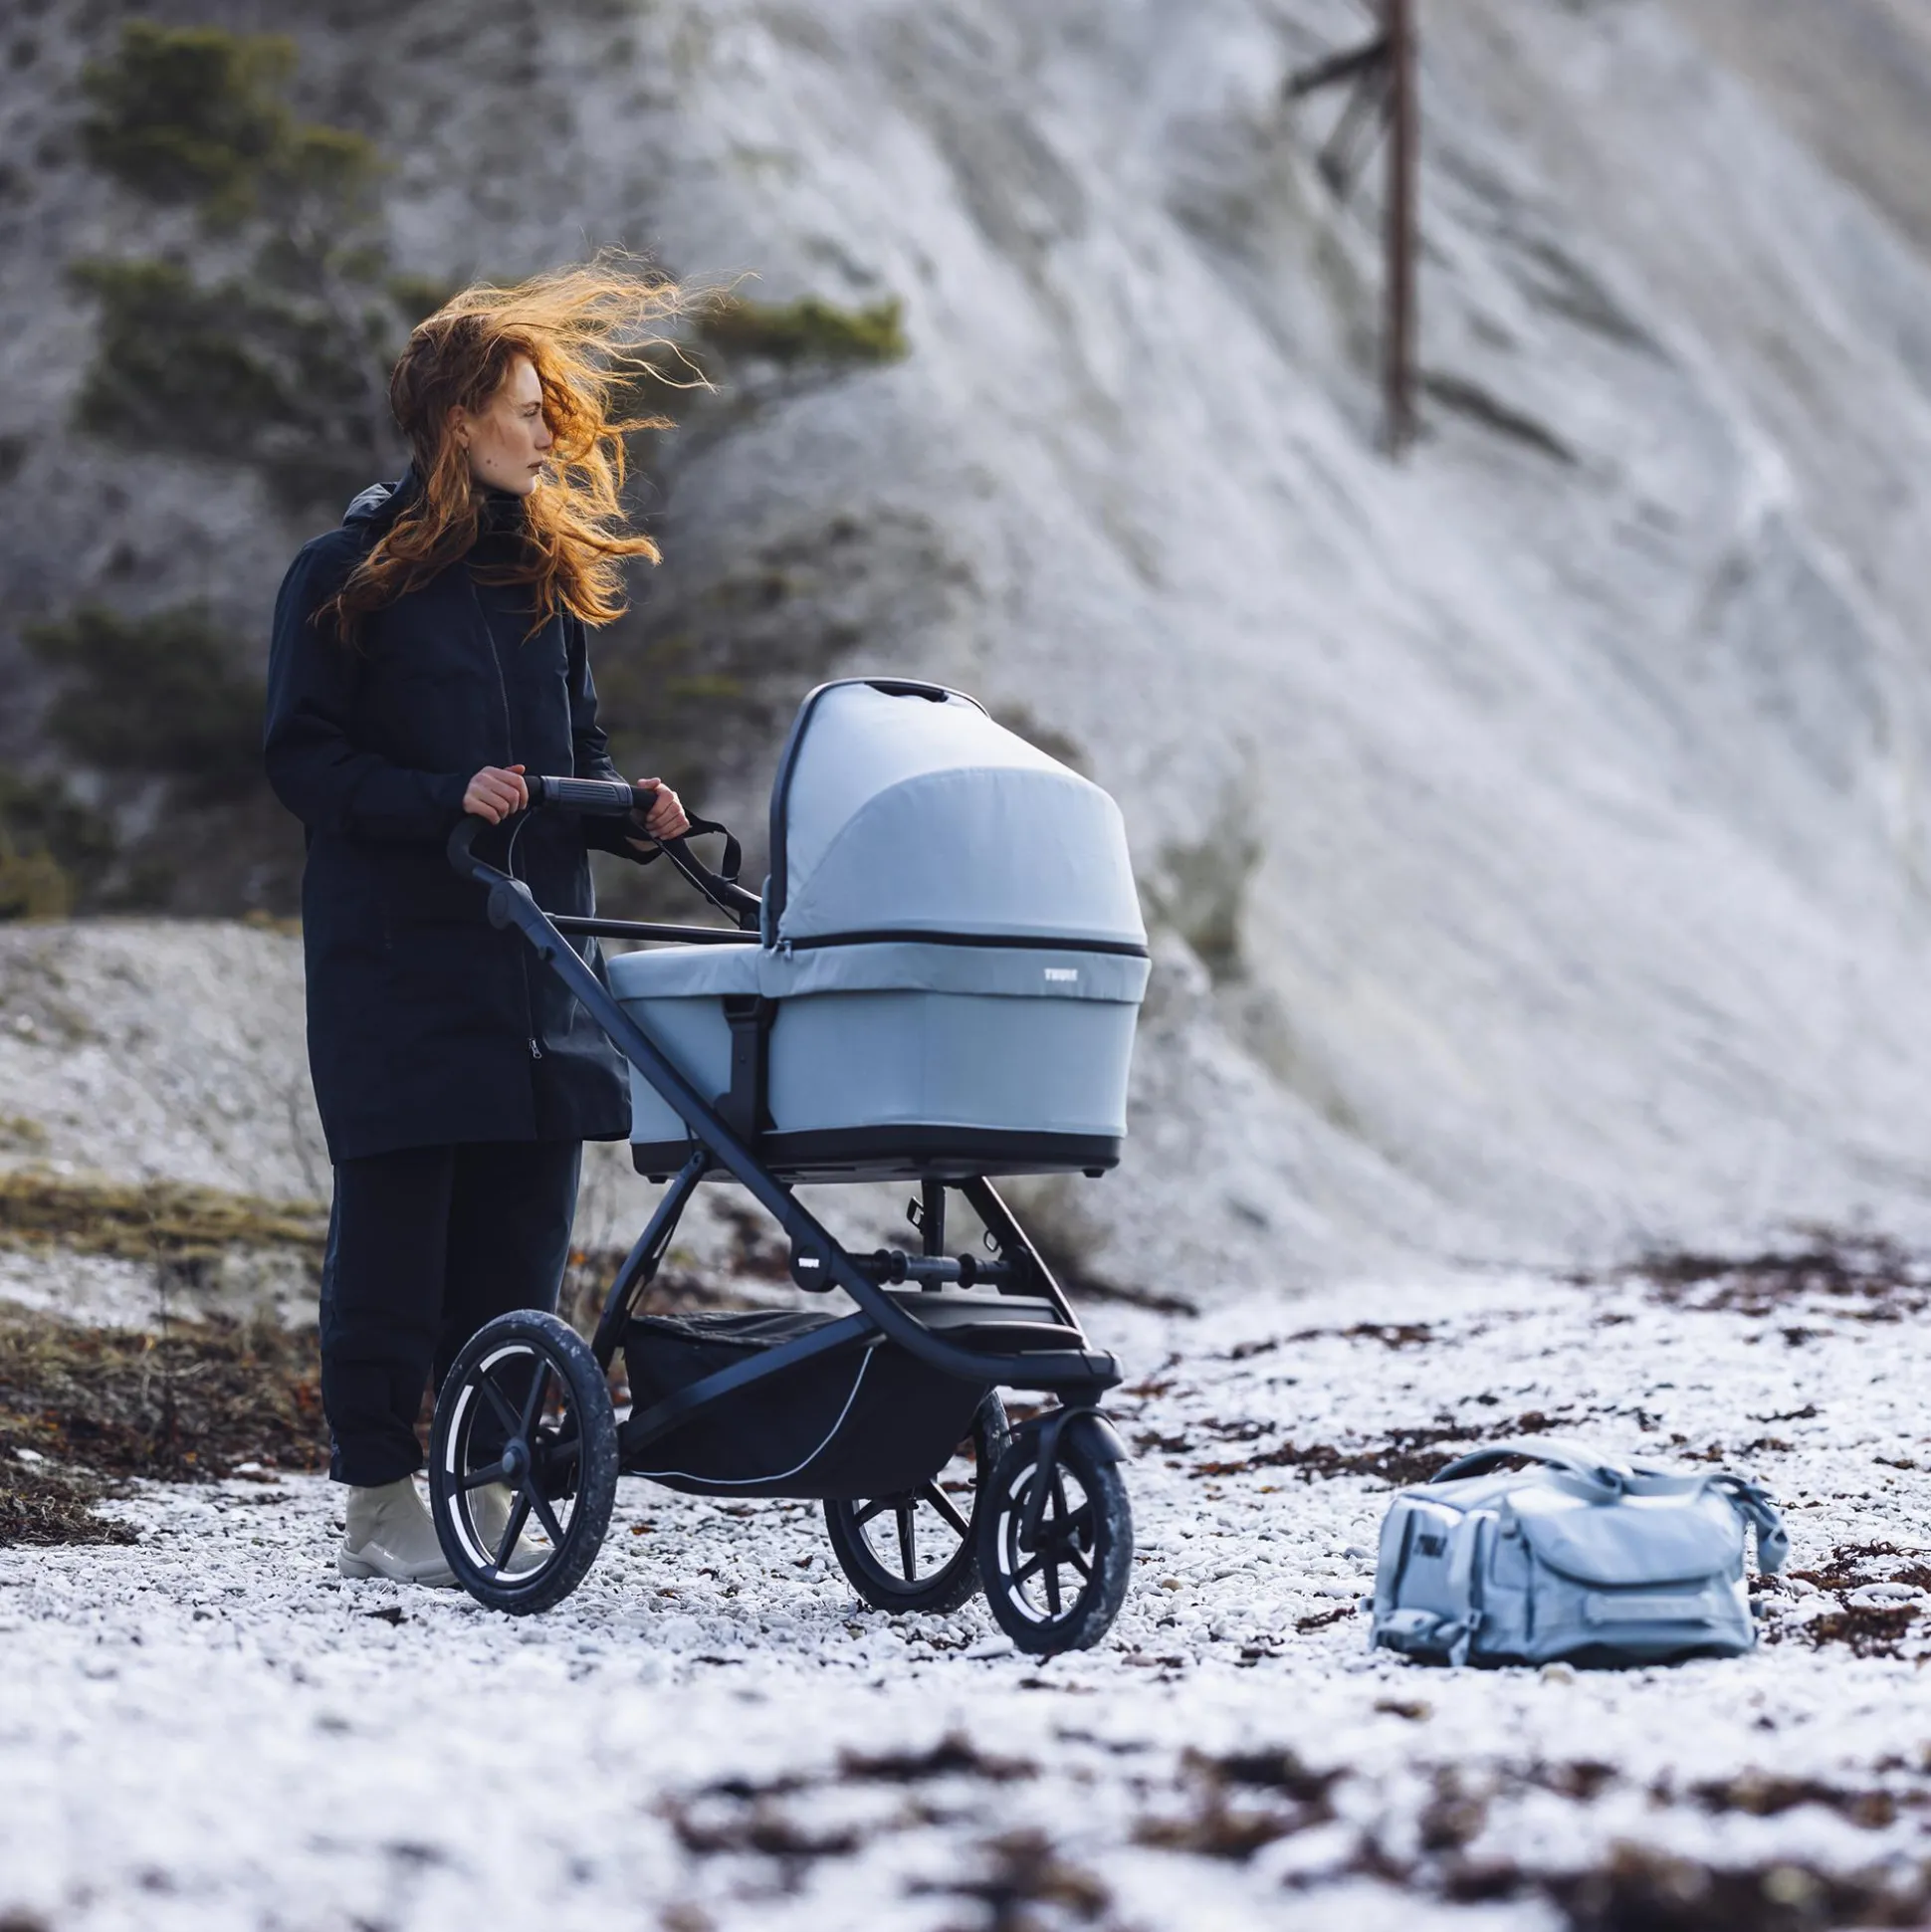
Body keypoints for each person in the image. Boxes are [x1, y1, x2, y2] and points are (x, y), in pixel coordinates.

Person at [264, 263, 691, 1586]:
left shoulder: (544, 583)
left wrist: (633, 811)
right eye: (522, 408)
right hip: (401, 966)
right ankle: (382, 1506)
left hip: (539, 965)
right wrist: (437, 796)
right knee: (393, 1246)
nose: (547, 431)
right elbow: (303, 762)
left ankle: (487, 1483)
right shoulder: (344, 577)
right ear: (457, 419)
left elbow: (584, 748)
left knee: (517, 1248)